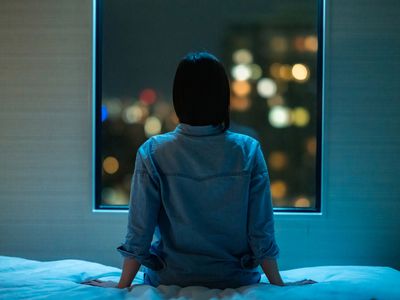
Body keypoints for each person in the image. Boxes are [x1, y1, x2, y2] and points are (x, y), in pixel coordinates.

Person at [86, 51, 315, 289]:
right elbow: (260, 229)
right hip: (234, 277)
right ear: (222, 97)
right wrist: (278, 282)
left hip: (171, 276)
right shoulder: (247, 149)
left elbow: (139, 231)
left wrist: (122, 284)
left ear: (179, 97)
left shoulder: (153, 151)